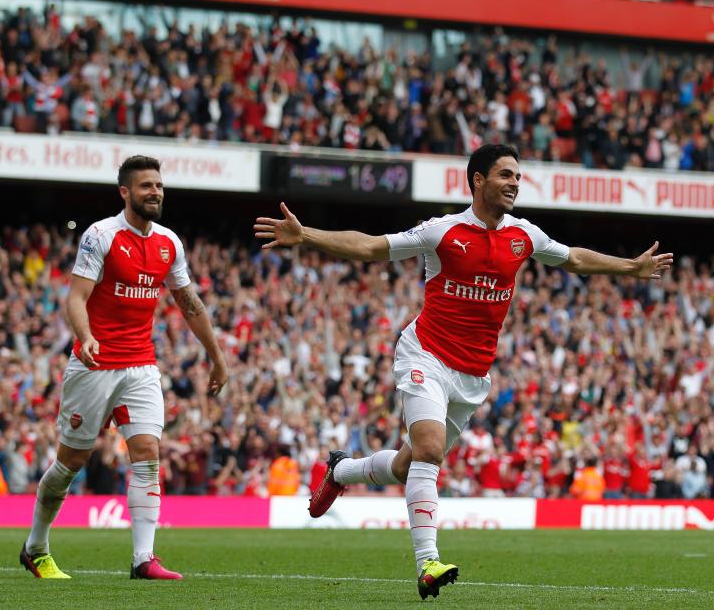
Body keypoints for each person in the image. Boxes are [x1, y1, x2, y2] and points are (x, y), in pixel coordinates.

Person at [253, 143, 673, 599]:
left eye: (517, 176)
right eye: (505, 175)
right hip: (425, 355)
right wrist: (308, 235)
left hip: (472, 376)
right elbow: (375, 247)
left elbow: (573, 258)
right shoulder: (443, 232)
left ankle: (341, 472)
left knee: (406, 463)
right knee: (429, 450)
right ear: (478, 180)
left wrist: (630, 267)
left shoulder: (524, 236)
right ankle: (427, 563)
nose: (515, 183)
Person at [19, 155, 227, 580]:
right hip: (94, 365)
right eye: (146, 186)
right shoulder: (101, 235)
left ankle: (143, 560)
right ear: (125, 192)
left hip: (140, 365)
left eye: (159, 185)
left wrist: (217, 355)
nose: (155, 192)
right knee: (71, 463)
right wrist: (87, 335)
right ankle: (34, 545)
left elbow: (189, 304)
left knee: (148, 453)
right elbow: (75, 298)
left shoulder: (170, 243)